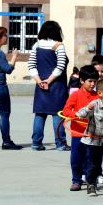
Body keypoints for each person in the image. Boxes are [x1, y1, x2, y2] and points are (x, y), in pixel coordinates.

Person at [28, 20, 70, 151]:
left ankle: (36, 143)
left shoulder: (36, 45)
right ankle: (60, 143)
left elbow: (31, 65)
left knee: (40, 114)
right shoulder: (59, 46)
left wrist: (39, 81)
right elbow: (60, 66)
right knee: (58, 114)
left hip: (41, 85)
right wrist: (49, 81)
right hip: (57, 85)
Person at [62, 65, 100, 191]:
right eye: (90, 81)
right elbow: (66, 110)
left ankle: (90, 180)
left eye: (95, 81)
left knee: (91, 158)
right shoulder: (75, 95)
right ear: (82, 81)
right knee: (76, 157)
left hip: (92, 133)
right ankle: (76, 180)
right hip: (78, 132)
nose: (93, 84)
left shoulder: (98, 96)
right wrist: (77, 115)